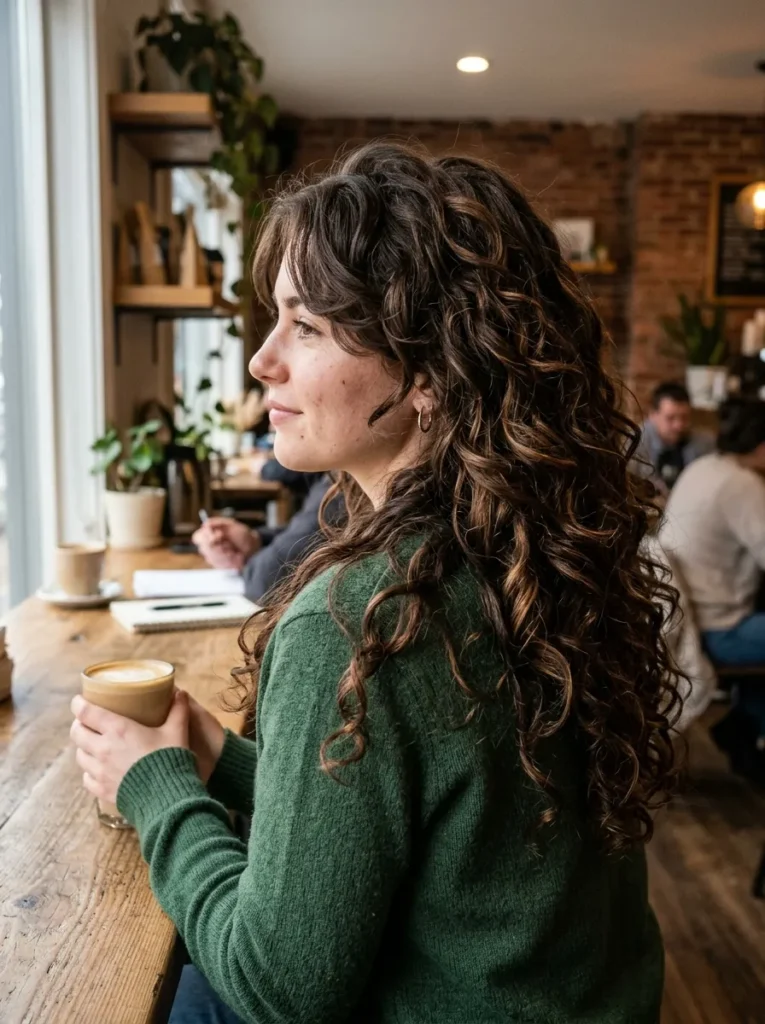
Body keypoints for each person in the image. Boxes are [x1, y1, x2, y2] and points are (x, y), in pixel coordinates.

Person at [71, 143, 682, 1024]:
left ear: (428, 373)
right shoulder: (521, 552)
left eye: (306, 327)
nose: (261, 361)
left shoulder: (363, 619)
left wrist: (157, 784)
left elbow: (280, 989)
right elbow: (442, 825)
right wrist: (225, 765)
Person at [660, 398, 765, 775]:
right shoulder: (743, 484)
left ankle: (743, 726)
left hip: (687, 618)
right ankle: (744, 726)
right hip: (718, 628)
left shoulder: (704, 466)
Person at [193, 473, 336, 602]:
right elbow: (302, 531)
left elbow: (267, 580)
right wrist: (255, 539)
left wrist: (240, 562)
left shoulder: (343, 486)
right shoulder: (331, 479)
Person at [634, 381, 713, 494]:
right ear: (652, 415)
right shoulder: (636, 443)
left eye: (684, 418)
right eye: (670, 418)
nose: (678, 425)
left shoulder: (704, 443)